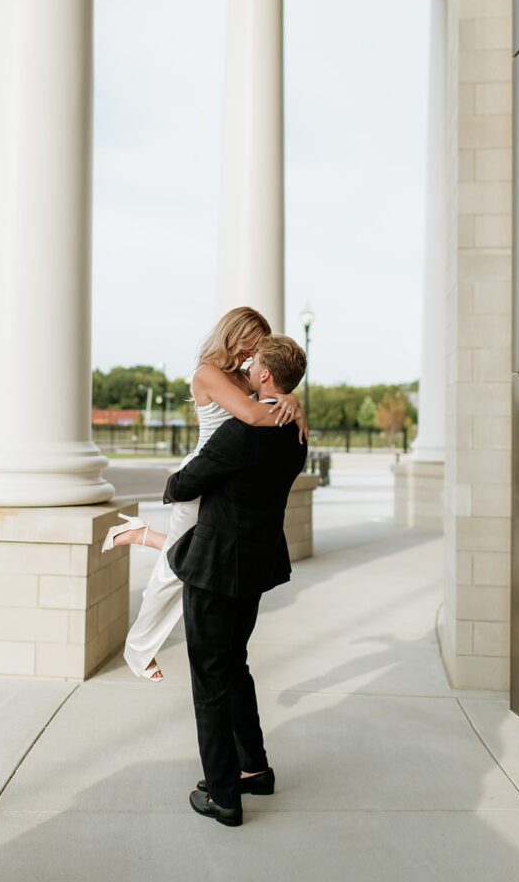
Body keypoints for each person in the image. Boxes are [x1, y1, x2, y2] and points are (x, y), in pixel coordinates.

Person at [101, 307, 307, 680]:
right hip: (202, 475)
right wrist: (293, 405)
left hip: (226, 476)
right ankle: (138, 650)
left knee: (191, 550)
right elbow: (253, 414)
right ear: (235, 335)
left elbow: (267, 390)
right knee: (173, 569)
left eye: (258, 349)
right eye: (252, 344)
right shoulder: (208, 373)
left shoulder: (244, 373)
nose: (253, 353)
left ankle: (136, 533)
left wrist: (289, 398)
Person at [163, 335, 308, 826]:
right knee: (235, 666)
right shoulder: (295, 433)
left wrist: (179, 478)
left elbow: (182, 484)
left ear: (267, 376)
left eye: (254, 363)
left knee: (209, 680)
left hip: (214, 569)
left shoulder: (241, 432)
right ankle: (255, 769)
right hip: (254, 567)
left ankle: (223, 795)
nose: (247, 366)